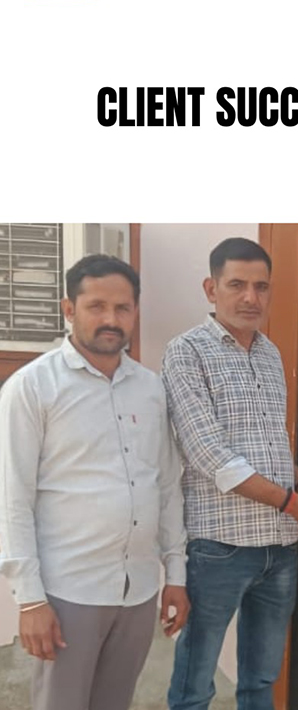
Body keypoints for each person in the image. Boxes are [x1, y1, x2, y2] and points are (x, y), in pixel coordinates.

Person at [163, 237, 298, 710]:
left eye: (261, 287)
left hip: (279, 547)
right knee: (195, 685)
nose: (251, 298)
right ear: (211, 288)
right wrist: (294, 503)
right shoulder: (186, 352)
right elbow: (210, 455)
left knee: (262, 680)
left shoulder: (269, 353)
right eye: (237, 285)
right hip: (219, 547)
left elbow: (271, 449)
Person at [0, 254, 189, 710]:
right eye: (96, 306)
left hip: (137, 590)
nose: (111, 319)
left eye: (122, 308)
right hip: (68, 593)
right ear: (69, 309)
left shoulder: (151, 388)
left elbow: (166, 485)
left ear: (135, 311)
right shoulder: (33, 387)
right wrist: (30, 601)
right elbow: (11, 497)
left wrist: (176, 575)